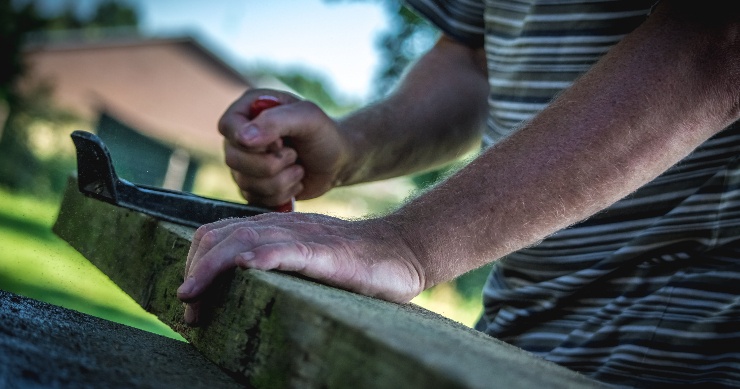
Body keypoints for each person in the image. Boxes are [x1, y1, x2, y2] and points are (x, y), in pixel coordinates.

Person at [178, 1, 740, 386]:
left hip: (679, 353)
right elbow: (473, 59)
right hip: (511, 332)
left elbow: (715, 44)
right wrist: (352, 148)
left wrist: (408, 243)